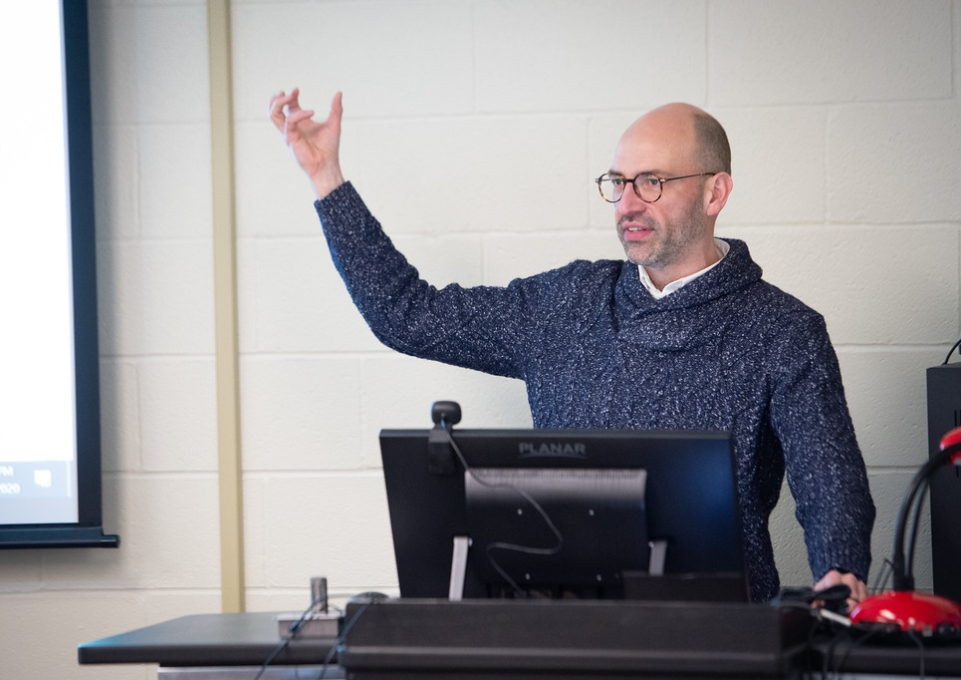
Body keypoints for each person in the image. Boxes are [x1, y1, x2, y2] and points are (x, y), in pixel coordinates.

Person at [269, 88, 876, 604]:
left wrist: (839, 573)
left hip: (719, 642)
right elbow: (408, 314)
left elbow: (831, 485)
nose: (629, 203)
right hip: (564, 635)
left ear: (715, 193)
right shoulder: (566, 304)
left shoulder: (784, 331)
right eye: (619, 182)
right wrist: (327, 178)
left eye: (653, 181)